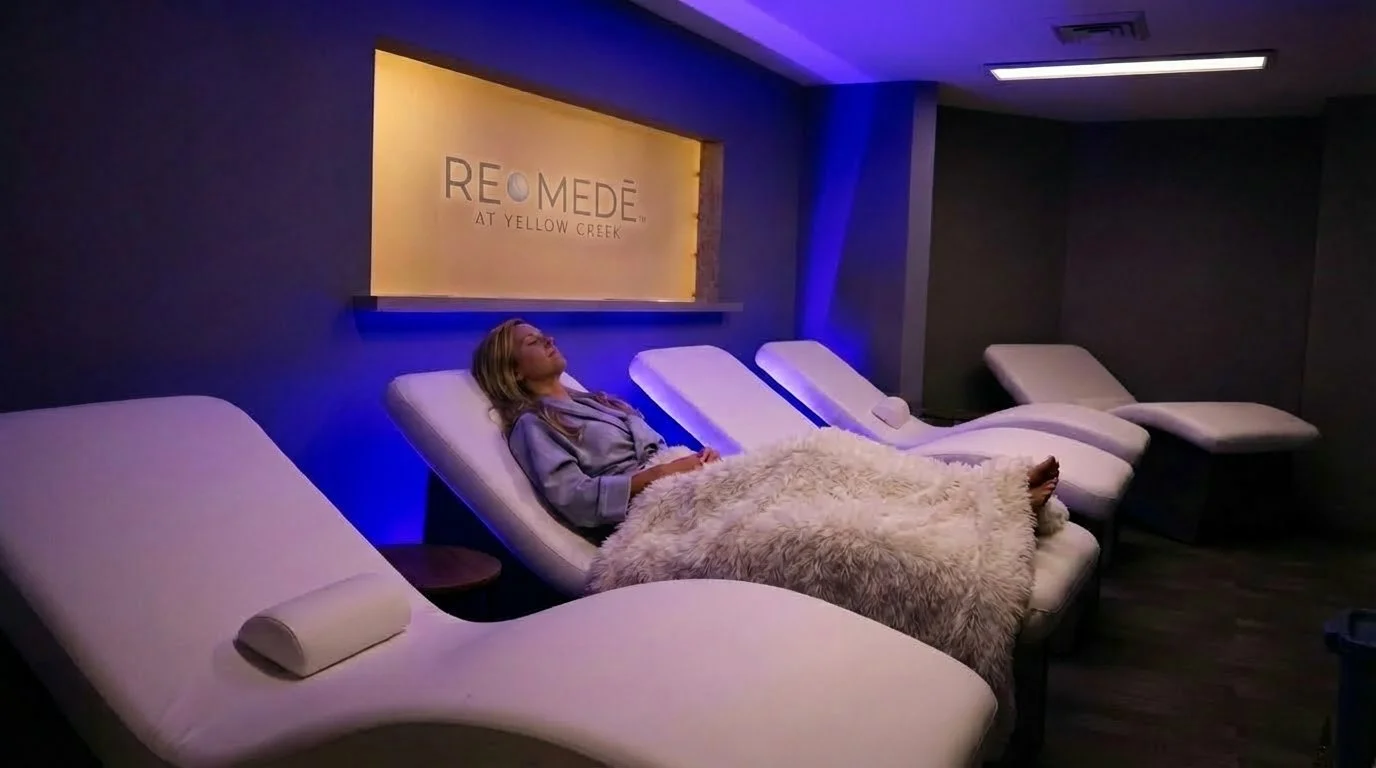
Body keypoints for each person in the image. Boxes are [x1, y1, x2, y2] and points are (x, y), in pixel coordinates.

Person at [472, 318, 1060, 542]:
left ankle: (983, 497)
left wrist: (685, 463)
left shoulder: (591, 400)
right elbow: (576, 501)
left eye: (543, 333)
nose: (546, 340)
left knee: (830, 463)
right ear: (512, 367)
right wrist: (664, 473)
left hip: (684, 479)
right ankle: (983, 505)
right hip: (651, 511)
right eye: (530, 341)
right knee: (815, 469)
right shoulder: (533, 423)